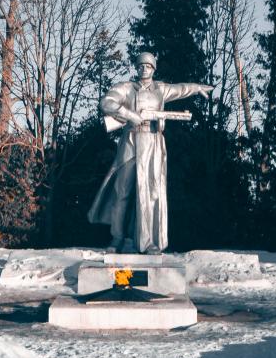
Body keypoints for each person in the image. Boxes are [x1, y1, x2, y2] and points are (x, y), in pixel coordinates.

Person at [86, 52, 212, 254]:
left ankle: (150, 242)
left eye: (149, 66)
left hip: (153, 143)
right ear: (137, 68)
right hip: (130, 142)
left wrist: (196, 88)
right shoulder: (126, 88)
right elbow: (106, 103)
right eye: (141, 65)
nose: (145, 68)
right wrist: (129, 115)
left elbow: (180, 89)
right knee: (122, 193)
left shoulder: (160, 89)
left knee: (152, 193)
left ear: (154, 68)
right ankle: (117, 237)